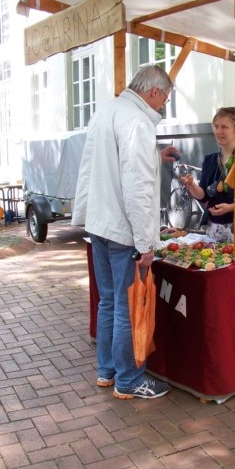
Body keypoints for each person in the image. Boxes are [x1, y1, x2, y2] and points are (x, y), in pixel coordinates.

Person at [72, 64, 179, 400]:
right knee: (127, 307)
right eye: (165, 98)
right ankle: (129, 380)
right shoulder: (136, 121)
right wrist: (146, 242)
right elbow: (137, 188)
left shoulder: (109, 110)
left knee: (109, 303)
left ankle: (106, 371)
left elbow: (104, 165)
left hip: (100, 224)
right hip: (122, 231)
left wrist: (155, 157)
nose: (163, 105)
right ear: (153, 92)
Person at [181, 106, 235, 245]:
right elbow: (203, 195)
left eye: (224, 127)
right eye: (216, 126)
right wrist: (191, 185)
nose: (218, 131)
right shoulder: (210, 160)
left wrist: (231, 207)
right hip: (214, 228)